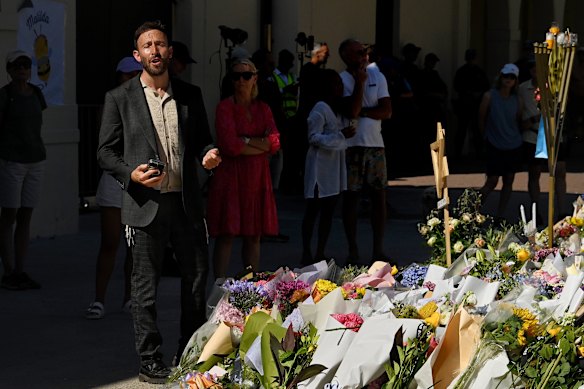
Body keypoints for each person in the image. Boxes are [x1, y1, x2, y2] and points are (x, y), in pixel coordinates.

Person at [97, 21, 221, 383]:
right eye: (147, 45)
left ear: (170, 52)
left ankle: (191, 351)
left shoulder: (190, 94)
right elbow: (104, 152)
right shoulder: (119, 98)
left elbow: (203, 141)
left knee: (196, 277)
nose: (154, 50)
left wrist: (209, 155)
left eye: (160, 44)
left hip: (186, 201)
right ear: (138, 56)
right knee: (145, 285)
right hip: (145, 202)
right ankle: (150, 358)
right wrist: (129, 174)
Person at [207, 58, 281, 279]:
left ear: (255, 78)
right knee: (227, 233)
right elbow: (230, 146)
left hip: (257, 177)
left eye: (246, 75)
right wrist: (259, 143)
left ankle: (250, 285)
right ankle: (219, 285)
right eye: (236, 76)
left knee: (254, 234)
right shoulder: (225, 107)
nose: (241, 80)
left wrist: (245, 141)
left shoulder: (263, 108)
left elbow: (275, 143)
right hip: (232, 177)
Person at [85, 56, 143, 320]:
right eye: (125, 75)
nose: (129, 80)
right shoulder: (111, 103)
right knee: (110, 241)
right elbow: (106, 146)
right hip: (114, 179)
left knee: (135, 245)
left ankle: (129, 298)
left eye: (134, 75)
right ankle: (99, 299)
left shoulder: (151, 103)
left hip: (140, 179)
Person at [338, 39, 392, 263]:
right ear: (347, 57)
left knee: (378, 197)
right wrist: (360, 84)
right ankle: (353, 251)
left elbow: (386, 111)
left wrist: (363, 113)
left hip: (375, 145)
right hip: (351, 147)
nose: (364, 56)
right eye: (359, 52)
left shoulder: (378, 76)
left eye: (365, 52)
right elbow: (352, 109)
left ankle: (378, 251)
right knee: (351, 198)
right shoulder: (341, 80)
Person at [0, 50, 47, 290]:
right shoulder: (5, 96)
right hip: (12, 162)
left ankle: (20, 269)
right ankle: (8, 271)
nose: (22, 69)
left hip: (35, 160)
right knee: (8, 215)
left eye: (26, 65)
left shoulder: (37, 93)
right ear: (9, 70)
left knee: (25, 215)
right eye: (17, 66)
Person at [301, 69, 355, 265]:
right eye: (336, 84)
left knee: (328, 211)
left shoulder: (338, 108)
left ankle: (320, 250)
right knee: (313, 209)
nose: (340, 88)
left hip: (334, 166)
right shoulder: (320, 108)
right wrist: (340, 136)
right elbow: (313, 137)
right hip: (320, 166)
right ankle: (306, 250)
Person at [519, 60, 567, 221]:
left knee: (559, 172)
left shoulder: (555, 87)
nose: (537, 73)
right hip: (532, 136)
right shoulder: (522, 89)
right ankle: (536, 210)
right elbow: (519, 112)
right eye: (534, 70)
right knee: (534, 173)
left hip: (554, 136)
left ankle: (561, 211)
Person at [478, 63, 524, 221]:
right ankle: (472, 210)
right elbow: (481, 117)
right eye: (506, 76)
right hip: (494, 142)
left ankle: (500, 214)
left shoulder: (517, 99)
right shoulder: (489, 96)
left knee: (509, 179)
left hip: (513, 143)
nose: (508, 80)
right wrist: (484, 136)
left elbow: (518, 119)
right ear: (501, 77)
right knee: (491, 180)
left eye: (512, 77)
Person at [452, 49, 490, 158]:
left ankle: (479, 153)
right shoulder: (462, 71)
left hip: (476, 105)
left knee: (477, 130)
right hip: (464, 104)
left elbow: (485, 87)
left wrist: (478, 94)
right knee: (462, 130)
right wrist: (468, 93)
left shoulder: (479, 72)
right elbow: (457, 86)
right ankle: (458, 153)